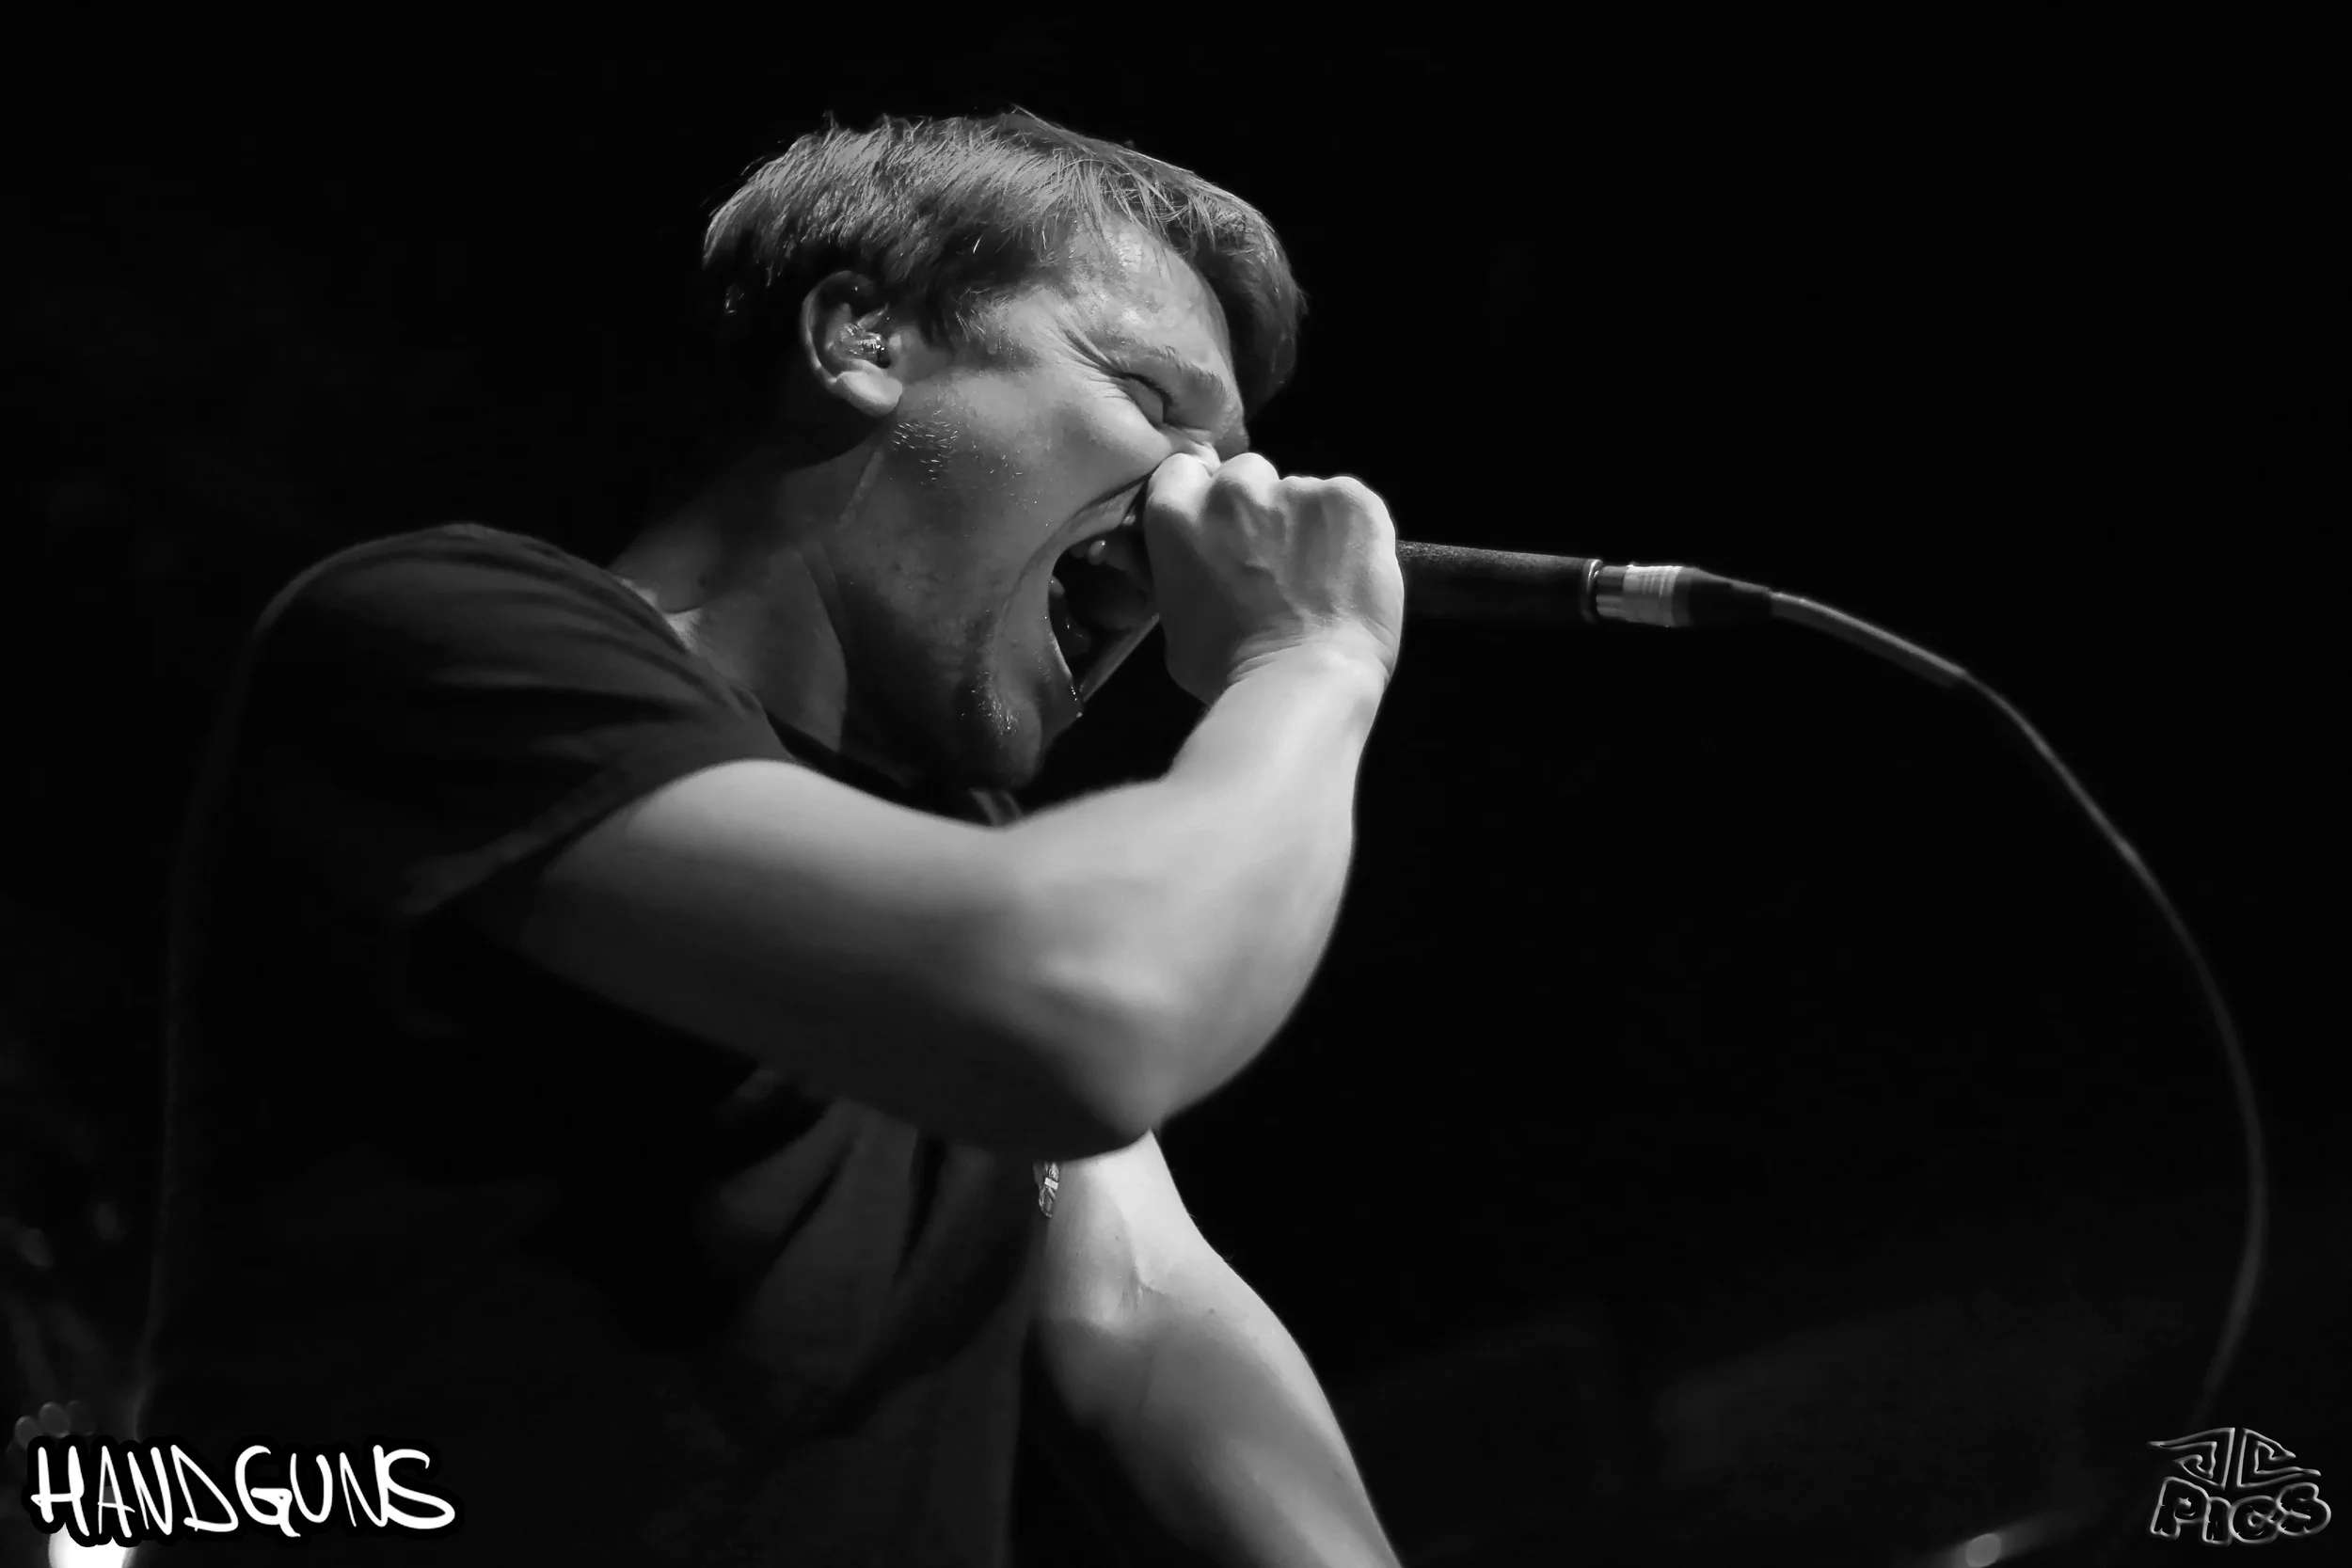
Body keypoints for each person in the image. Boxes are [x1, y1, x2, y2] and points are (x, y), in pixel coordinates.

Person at [131, 111, 1406, 1566]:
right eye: (1151, 399)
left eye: (1227, 457)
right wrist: (1311, 659)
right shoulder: (443, 635)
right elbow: (1087, 1004)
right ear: (859, 338)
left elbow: (1140, 1309)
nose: (1206, 501)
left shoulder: (956, 847)